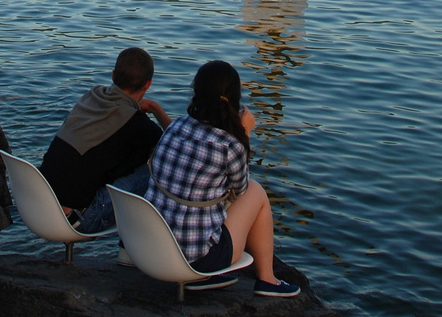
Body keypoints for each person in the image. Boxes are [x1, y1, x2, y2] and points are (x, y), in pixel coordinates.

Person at [145, 60, 300, 297]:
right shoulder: (229, 146)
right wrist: (244, 134)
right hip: (195, 259)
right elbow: (240, 190)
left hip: (151, 248)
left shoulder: (177, 127)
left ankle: (200, 278)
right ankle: (268, 280)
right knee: (256, 192)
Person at [40, 47, 171, 235]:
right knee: (158, 169)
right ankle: (134, 248)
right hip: (77, 220)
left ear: (113, 75)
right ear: (148, 84)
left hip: (38, 206)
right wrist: (155, 108)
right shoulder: (138, 125)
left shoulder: (91, 96)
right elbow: (178, 144)